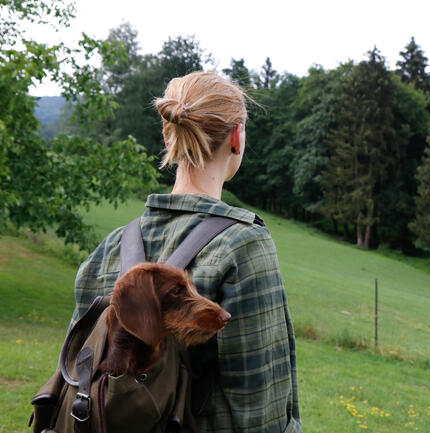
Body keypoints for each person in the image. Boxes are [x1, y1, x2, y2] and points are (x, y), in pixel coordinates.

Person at [69, 71, 302, 433]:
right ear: (237, 137)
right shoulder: (243, 245)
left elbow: (76, 375)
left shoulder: (108, 248)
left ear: (167, 134)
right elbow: (262, 410)